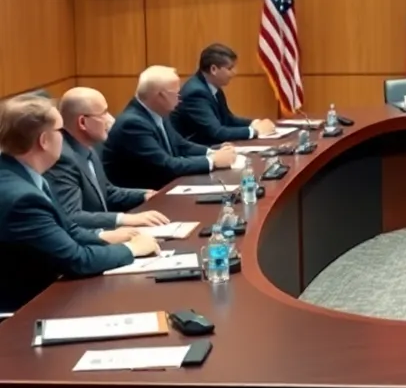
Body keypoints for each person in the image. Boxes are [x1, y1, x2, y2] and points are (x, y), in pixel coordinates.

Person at [0, 96, 159, 313]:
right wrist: (131, 249)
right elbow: (77, 260)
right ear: (44, 140)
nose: (64, 138)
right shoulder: (22, 198)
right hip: (25, 311)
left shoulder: (26, 175)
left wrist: (101, 237)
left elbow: (68, 229)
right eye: (60, 130)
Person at [47, 88, 169, 232]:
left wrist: (145, 195)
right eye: (103, 113)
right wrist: (124, 219)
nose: (110, 119)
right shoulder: (63, 159)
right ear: (82, 122)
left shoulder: (88, 147)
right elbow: (71, 216)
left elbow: (107, 192)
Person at [103, 67, 237, 190]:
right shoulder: (132, 124)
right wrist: (213, 161)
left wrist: (213, 152)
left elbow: (180, 145)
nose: (180, 99)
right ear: (161, 95)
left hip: (165, 188)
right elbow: (166, 165)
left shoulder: (157, 113)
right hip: (142, 201)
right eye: (176, 94)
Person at [172, 44, 275, 145]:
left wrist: (255, 123)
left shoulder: (212, 86)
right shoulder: (196, 93)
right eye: (230, 68)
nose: (235, 73)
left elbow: (227, 119)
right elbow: (217, 132)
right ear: (214, 69)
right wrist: (254, 131)